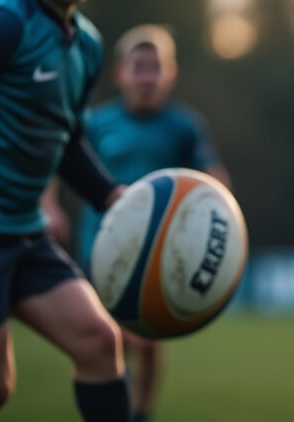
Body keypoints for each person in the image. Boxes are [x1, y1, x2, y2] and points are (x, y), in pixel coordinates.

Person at [43, 23, 230, 422]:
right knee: (112, 337)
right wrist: (51, 206)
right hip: (103, 250)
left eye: (155, 67)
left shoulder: (183, 125)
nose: (147, 76)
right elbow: (57, 161)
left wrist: (221, 211)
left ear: (170, 74)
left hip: (164, 254)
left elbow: (211, 174)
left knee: (145, 341)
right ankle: (120, 407)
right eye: (139, 66)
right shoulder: (96, 123)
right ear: (121, 74)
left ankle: (140, 413)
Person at [0, 0, 131, 421]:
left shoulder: (88, 45)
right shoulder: (4, 26)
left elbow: (67, 139)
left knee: (98, 340)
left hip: (25, 233)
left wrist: (110, 193)